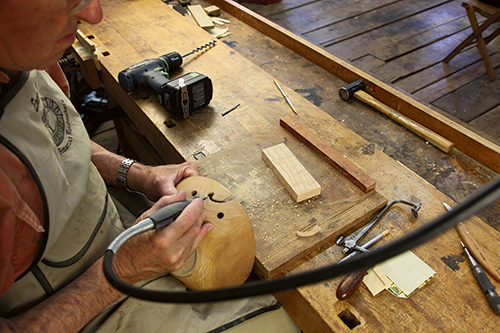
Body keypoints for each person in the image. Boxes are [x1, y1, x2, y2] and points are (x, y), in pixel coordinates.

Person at [0, 0, 300, 332]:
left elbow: (61, 138)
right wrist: (123, 271)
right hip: (74, 312)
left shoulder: (24, 54)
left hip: (113, 229)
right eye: (71, 2)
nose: (94, 15)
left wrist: (138, 173)